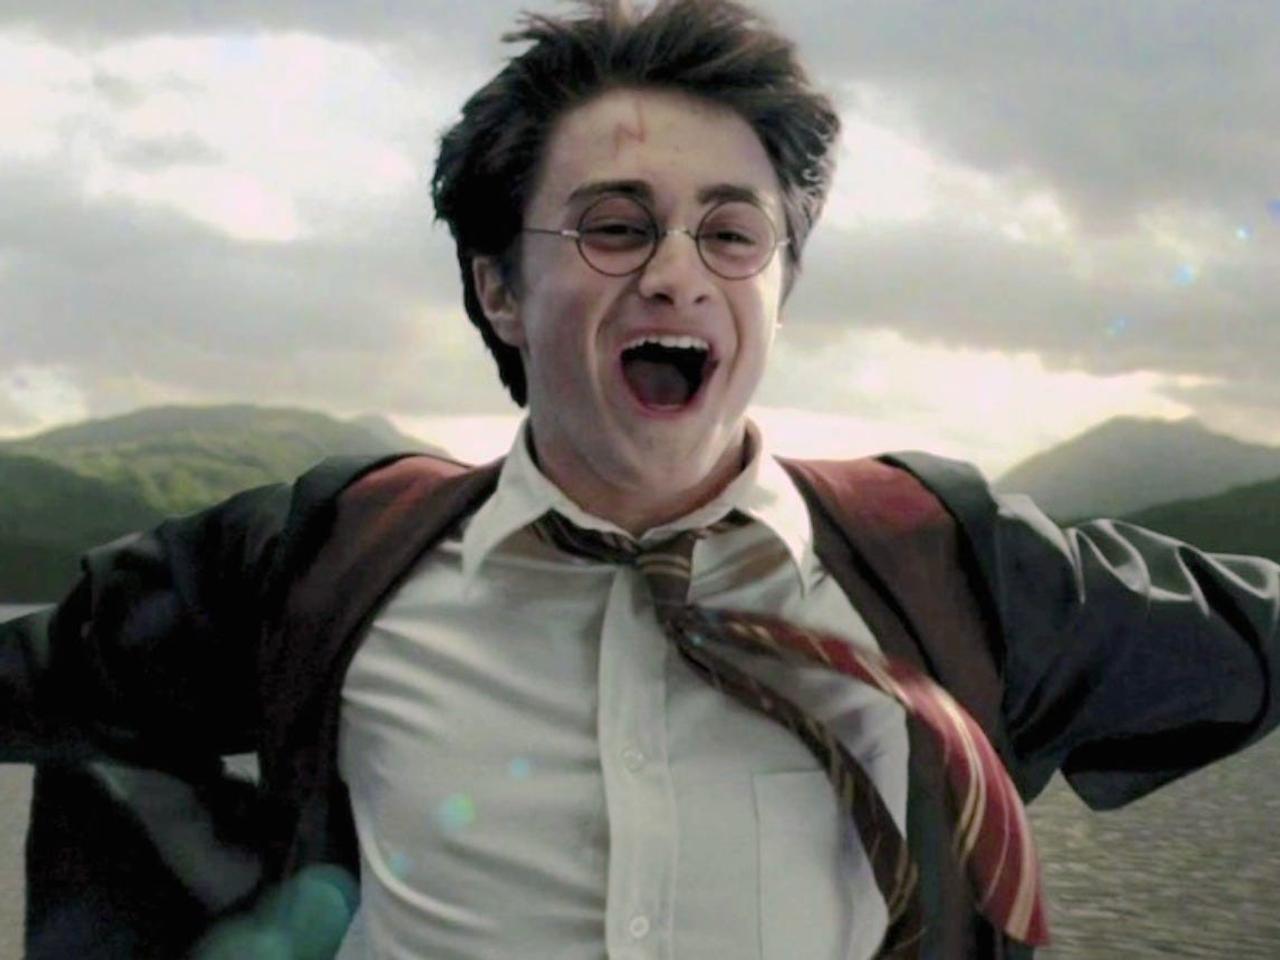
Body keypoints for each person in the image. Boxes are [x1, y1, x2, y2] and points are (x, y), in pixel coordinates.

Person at [3, 1, 1278, 958]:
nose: (677, 273)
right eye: (614, 227)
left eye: (731, 233)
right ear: (499, 290)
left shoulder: (953, 570)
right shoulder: (329, 559)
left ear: (778, 287)